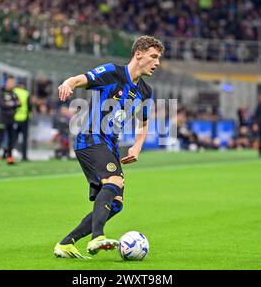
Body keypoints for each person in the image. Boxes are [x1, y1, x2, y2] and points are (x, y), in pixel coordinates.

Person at [54, 35, 164, 259]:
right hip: (91, 138)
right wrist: (67, 84)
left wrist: (137, 146)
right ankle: (97, 237)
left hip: (110, 144)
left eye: (159, 58)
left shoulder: (145, 91)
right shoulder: (113, 73)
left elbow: (144, 123)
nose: (157, 62)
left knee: (116, 204)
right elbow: (79, 79)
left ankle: (66, 244)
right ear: (138, 54)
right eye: (154, 56)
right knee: (114, 181)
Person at [0, 76, 20, 165]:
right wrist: (12, 104)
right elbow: (1, 104)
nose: (11, 84)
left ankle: (9, 158)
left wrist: (10, 104)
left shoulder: (14, 93)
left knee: (12, 138)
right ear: (6, 83)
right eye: (10, 82)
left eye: (13, 83)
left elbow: (19, 103)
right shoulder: (1, 92)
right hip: (2, 118)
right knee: (0, 138)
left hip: (12, 118)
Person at [13, 82, 31, 161]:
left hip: (14, 117)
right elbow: (29, 106)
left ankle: (8, 155)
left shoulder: (14, 92)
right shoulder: (26, 93)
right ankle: (24, 156)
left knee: (13, 138)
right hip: (24, 118)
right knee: (24, 138)